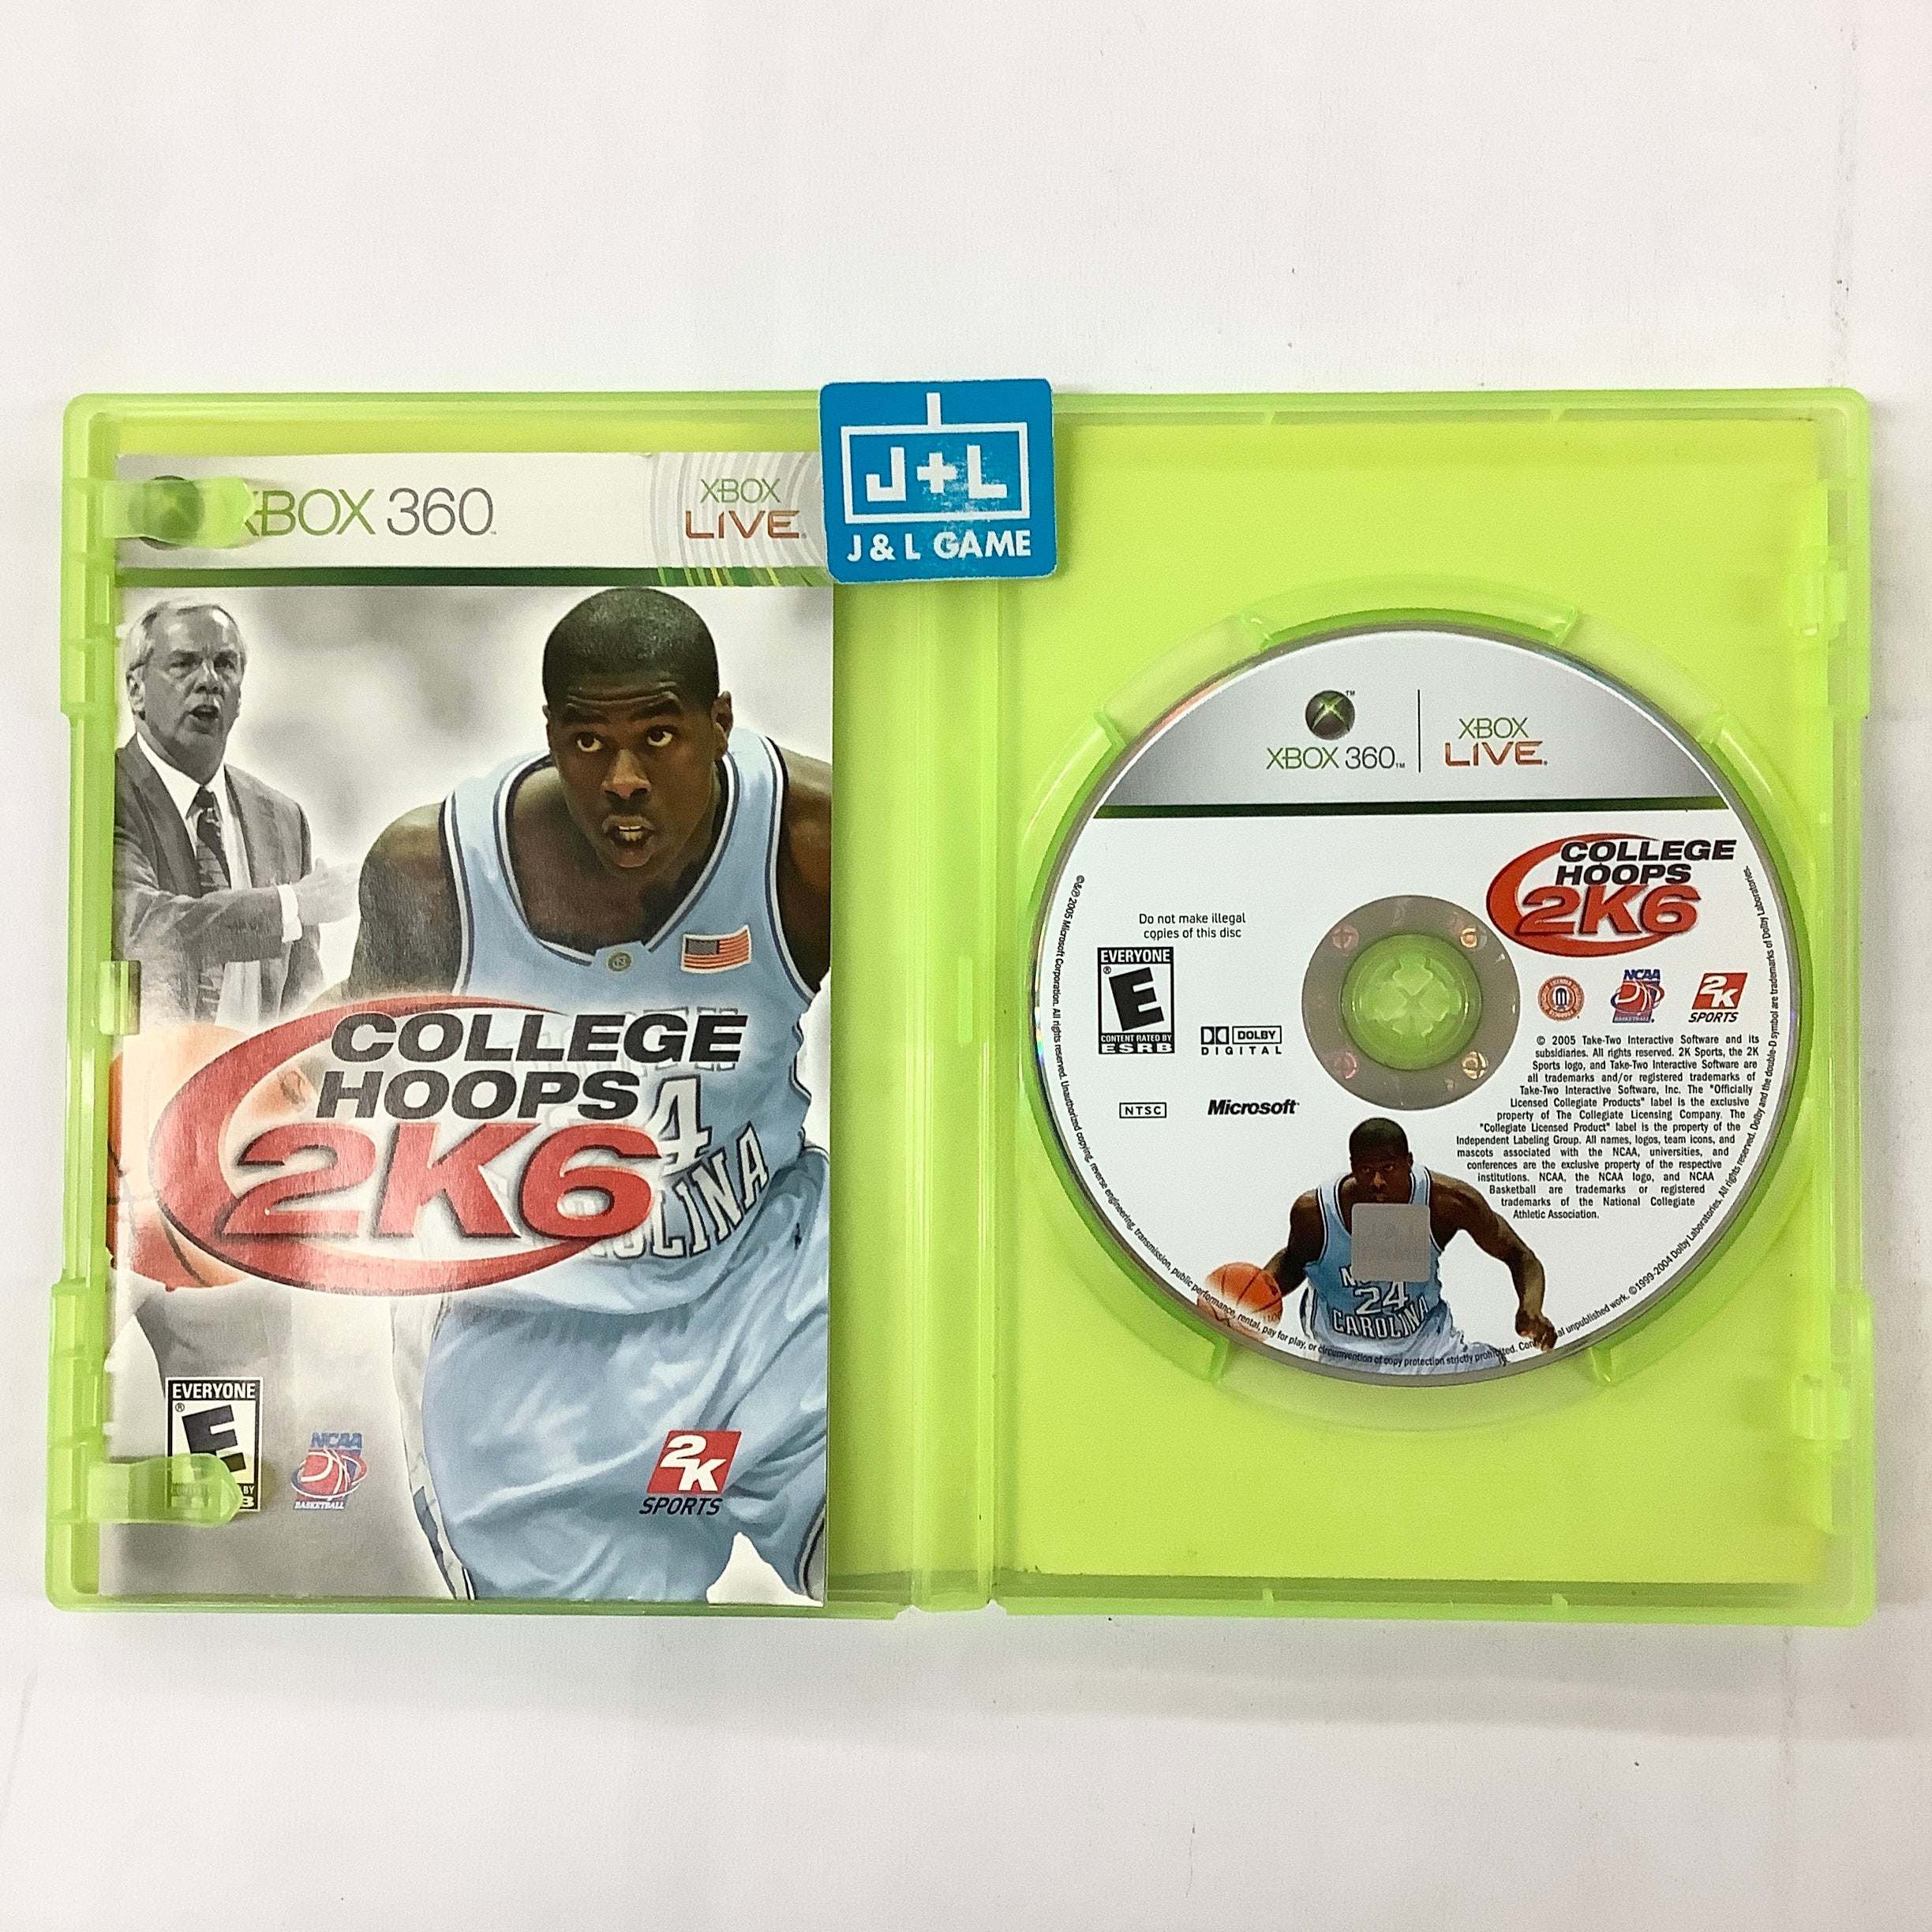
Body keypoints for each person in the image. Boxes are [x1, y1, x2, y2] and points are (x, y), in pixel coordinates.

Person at [348, 586, 831, 1603]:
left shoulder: (815, 841)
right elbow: (340, 1078)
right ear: (550, 737)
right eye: (587, 741)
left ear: (720, 723)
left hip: (770, 1287)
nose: (623, 780)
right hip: (533, 1350)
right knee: (598, 1682)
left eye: (659, 736)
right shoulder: (432, 872)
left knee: (911, 1591)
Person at [114, 599, 357, 1026]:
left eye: (225, 665)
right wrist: (290, 905)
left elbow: (299, 1001)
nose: (208, 680)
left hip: (256, 1068)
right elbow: (143, 932)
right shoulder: (107, 792)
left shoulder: (283, 819)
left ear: (241, 695)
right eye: (183, 664)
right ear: (136, 690)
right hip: (143, 1067)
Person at [1262, 1116, 1555, 1373]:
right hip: (1344, 1357)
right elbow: (1293, 1262)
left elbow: (1519, 1255)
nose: (1377, 1181)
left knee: (1511, 1391)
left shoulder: (1447, 1202)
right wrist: (1253, 1298)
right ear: (1352, 1168)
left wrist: (1531, 1308)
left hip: (1430, 1353)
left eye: (1388, 1167)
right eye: (1366, 1170)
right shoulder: (1316, 1213)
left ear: (1409, 1162)